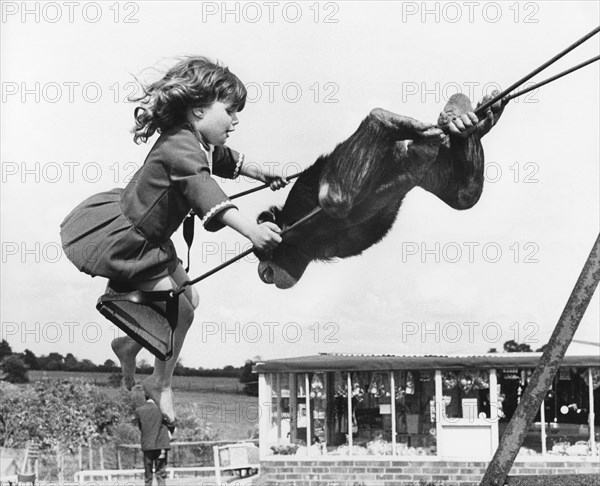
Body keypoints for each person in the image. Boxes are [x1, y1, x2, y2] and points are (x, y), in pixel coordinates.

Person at [60, 56, 288, 423]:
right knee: (179, 309)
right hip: (131, 242)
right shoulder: (181, 149)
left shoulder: (191, 141)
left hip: (151, 242)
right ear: (198, 110)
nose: (236, 120)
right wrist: (252, 231)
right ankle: (160, 383)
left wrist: (259, 171)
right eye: (230, 111)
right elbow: (205, 189)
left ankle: (129, 343)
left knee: (190, 297)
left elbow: (220, 159)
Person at [134, 395, 175, 486]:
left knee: (148, 475)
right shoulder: (162, 409)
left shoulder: (139, 410)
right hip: (161, 445)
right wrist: (169, 433)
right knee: (160, 473)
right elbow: (172, 423)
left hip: (147, 445)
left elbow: (141, 427)